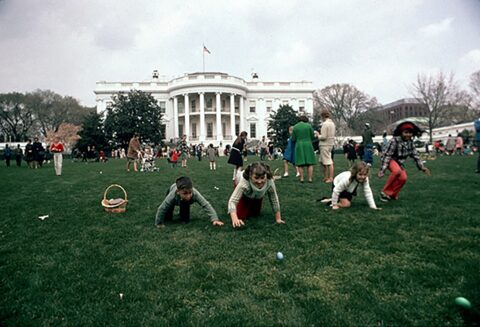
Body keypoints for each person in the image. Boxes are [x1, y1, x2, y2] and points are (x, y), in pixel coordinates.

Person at [378, 121, 431, 202]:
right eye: (406, 132)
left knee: (403, 178)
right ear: (401, 132)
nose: (408, 135)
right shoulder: (394, 141)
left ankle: (392, 194)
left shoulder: (411, 143)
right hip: (389, 159)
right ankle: (384, 193)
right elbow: (387, 155)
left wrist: (422, 167)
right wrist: (382, 170)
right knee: (397, 171)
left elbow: (416, 156)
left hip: (399, 162)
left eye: (410, 133)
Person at [228, 162, 285, 228]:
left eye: (262, 178)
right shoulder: (244, 182)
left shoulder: (269, 181)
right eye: (256, 178)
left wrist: (278, 219)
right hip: (244, 192)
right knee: (240, 215)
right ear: (250, 175)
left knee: (255, 214)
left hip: (258, 195)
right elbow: (232, 201)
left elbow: (274, 199)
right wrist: (235, 219)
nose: (259, 181)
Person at [154, 176, 224, 228]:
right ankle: (167, 217)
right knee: (168, 215)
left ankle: (183, 215)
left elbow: (206, 205)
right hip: (172, 191)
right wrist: (159, 223)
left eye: (190, 192)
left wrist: (215, 219)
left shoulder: (195, 193)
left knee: (185, 220)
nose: (188, 196)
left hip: (184, 202)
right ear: (178, 192)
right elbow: (162, 208)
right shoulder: (172, 196)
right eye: (185, 193)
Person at [292, 116, 316, 183]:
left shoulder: (295, 127)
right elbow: (312, 136)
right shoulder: (309, 126)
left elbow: (293, 138)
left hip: (299, 145)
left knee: (300, 163)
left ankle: (302, 178)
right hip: (308, 144)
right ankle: (310, 179)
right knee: (310, 163)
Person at [318, 109, 336, 183]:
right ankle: (326, 177)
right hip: (330, 143)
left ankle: (330, 178)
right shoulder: (332, 123)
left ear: (322, 116)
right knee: (323, 161)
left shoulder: (325, 124)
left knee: (328, 162)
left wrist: (318, 135)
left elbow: (324, 136)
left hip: (325, 144)